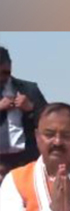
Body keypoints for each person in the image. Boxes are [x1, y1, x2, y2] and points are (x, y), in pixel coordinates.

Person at [0, 46, 48, 178]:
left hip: (25, 159)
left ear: (10, 66)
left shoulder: (29, 89)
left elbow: (49, 120)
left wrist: (31, 108)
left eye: (4, 72)